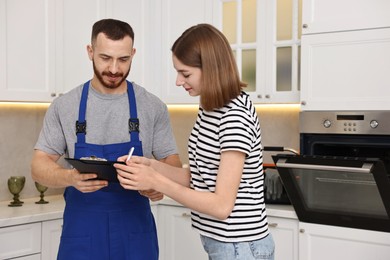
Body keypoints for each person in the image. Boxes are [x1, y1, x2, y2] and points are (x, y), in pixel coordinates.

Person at [114, 23, 275, 260]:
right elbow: (200, 177)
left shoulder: (234, 117)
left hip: (241, 247)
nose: (178, 81)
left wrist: (157, 182)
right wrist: (151, 166)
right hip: (224, 245)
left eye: (185, 73)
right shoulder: (210, 109)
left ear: (211, 69)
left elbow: (221, 206)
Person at [31, 18, 181, 260]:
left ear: (133, 54)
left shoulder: (152, 106)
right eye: (105, 58)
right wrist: (70, 177)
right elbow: (38, 167)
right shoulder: (65, 105)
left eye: (123, 59)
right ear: (90, 52)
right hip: (82, 234)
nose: (114, 69)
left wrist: (158, 184)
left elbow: (172, 163)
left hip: (135, 234)